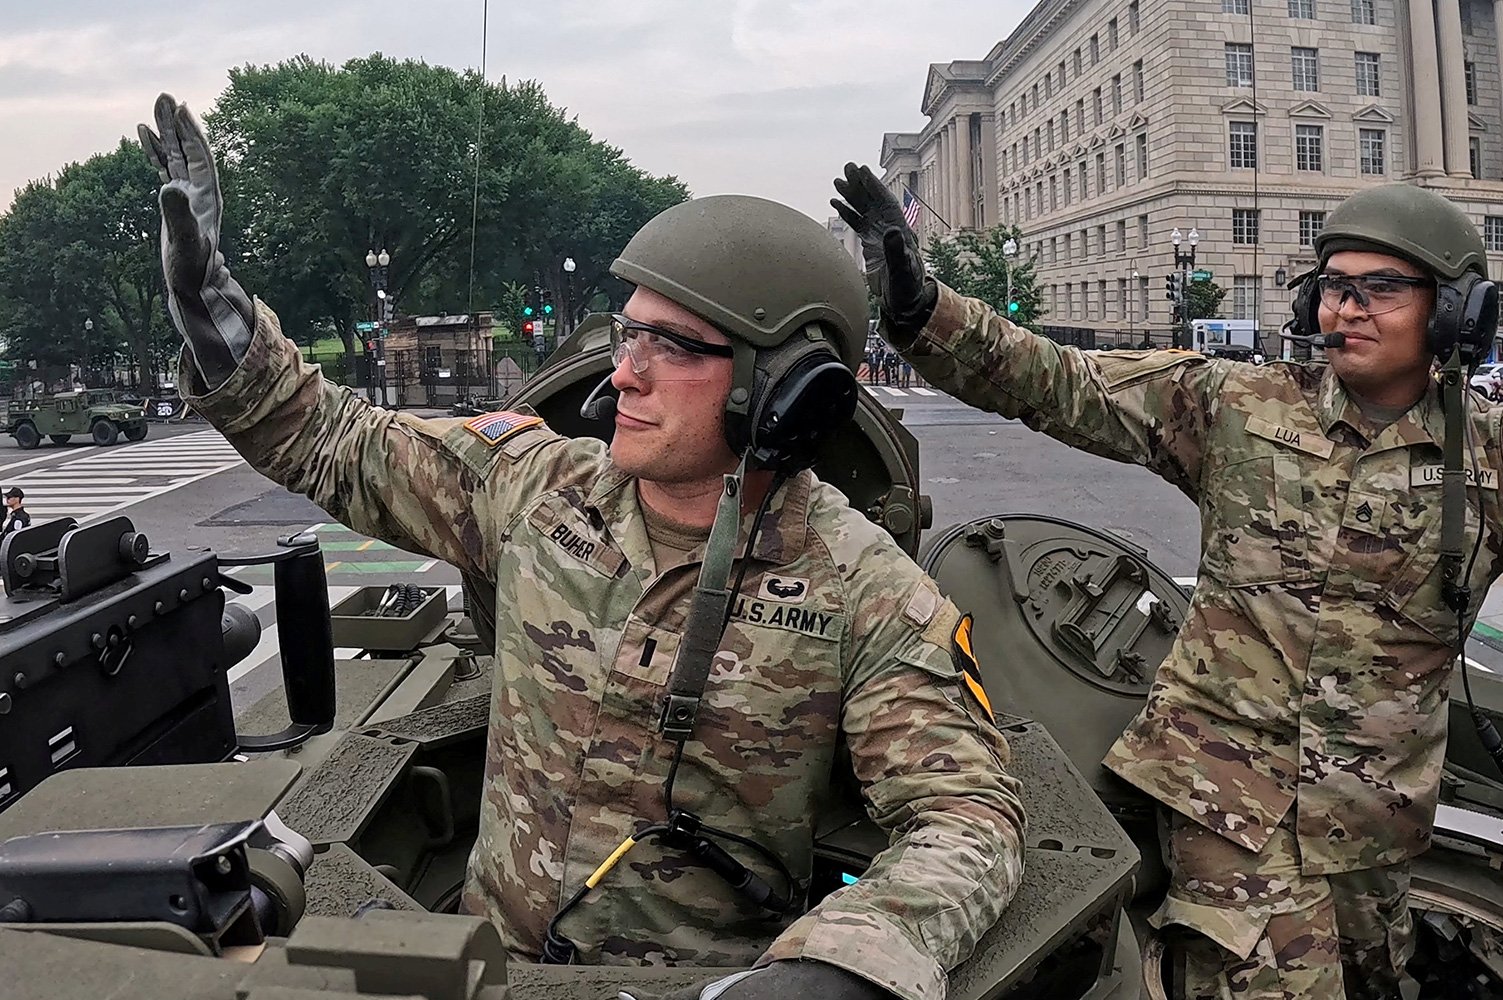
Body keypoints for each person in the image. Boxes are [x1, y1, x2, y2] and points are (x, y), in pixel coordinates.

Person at [140, 96, 1024, 1000]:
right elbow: (337, 441)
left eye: (671, 347)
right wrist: (220, 322)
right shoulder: (536, 488)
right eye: (629, 334)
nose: (624, 373)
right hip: (486, 971)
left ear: (784, 390)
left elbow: (968, 817)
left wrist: (839, 965)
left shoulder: (864, 589)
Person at [832, 162, 1503, 999]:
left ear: (1455, 312)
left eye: (1381, 288)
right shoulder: (1237, 403)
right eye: (1333, 286)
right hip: (1227, 802)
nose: (1346, 307)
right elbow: (1058, 379)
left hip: (1372, 825)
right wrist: (921, 308)